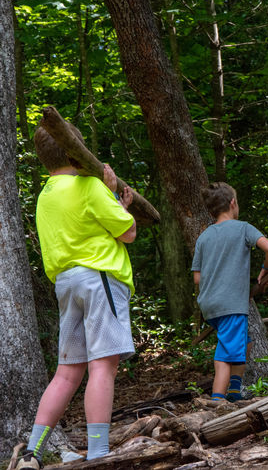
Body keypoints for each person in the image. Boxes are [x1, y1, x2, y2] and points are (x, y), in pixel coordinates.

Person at [19, 127, 137, 469]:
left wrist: (111, 202)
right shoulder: (89, 185)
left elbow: (80, 227)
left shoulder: (45, 194)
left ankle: (33, 451)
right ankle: (99, 453)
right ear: (76, 151)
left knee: (67, 372)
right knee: (103, 365)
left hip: (66, 284)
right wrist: (112, 194)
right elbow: (127, 232)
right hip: (99, 279)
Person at [191, 183, 268, 402]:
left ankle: (234, 390)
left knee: (244, 342)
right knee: (224, 356)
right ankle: (217, 400)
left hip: (210, 305)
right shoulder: (243, 228)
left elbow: (197, 278)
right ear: (233, 203)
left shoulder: (204, 237)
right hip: (230, 304)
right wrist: (265, 270)